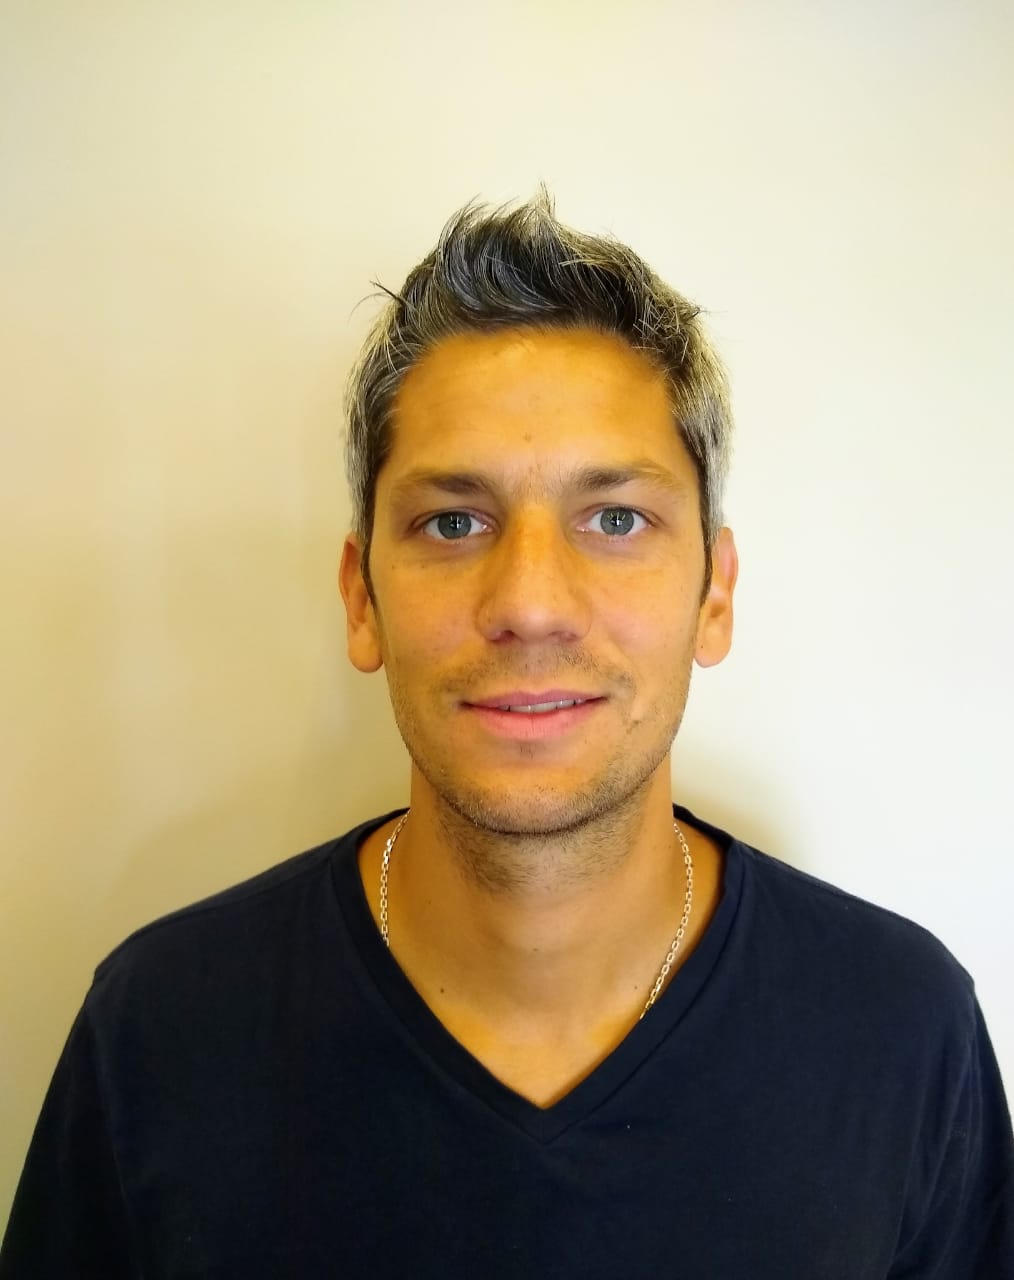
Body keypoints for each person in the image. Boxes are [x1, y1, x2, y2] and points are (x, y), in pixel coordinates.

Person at [2, 195, 1011, 1279]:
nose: (530, 603)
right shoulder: (160, 1032)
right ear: (361, 599)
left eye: (615, 518)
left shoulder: (901, 1032)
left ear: (714, 594)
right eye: (453, 521)